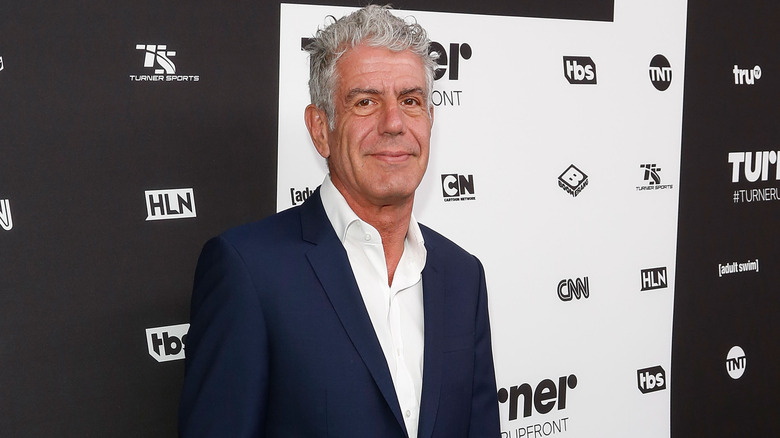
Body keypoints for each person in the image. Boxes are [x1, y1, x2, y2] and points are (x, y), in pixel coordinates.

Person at [179, 5, 500, 437]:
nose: (394, 124)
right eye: (365, 102)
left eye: (411, 101)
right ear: (320, 128)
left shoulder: (463, 275)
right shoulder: (248, 271)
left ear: (429, 120)